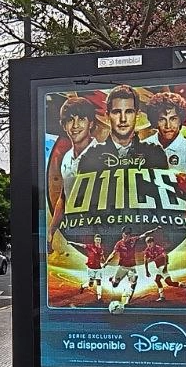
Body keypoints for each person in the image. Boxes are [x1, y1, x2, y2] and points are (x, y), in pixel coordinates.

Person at [47, 96, 101, 251]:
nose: (75, 125)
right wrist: (51, 231)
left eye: (81, 119)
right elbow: (64, 197)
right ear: (64, 125)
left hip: (102, 232)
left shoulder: (103, 154)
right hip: (76, 231)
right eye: (70, 120)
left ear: (91, 123)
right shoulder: (66, 158)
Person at [77, 85, 167, 175]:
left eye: (129, 112)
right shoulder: (91, 156)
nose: (123, 119)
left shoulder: (155, 153)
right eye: (117, 112)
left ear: (137, 115)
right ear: (107, 116)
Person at [141, 91, 186, 215]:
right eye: (162, 119)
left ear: (181, 120)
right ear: (155, 121)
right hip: (146, 216)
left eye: (173, 119)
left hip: (174, 219)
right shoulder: (143, 146)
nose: (168, 125)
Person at [105, 225, 159, 306]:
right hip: (122, 267)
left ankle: (127, 301)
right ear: (123, 234)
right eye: (126, 234)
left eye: (129, 234)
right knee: (115, 285)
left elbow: (144, 235)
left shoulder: (133, 240)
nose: (127, 236)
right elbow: (113, 253)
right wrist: (106, 262)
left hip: (132, 268)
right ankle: (113, 279)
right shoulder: (119, 244)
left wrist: (154, 229)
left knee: (133, 283)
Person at [142, 234, 186, 301]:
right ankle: (163, 296)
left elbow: (166, 256)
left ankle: (184, 286)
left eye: (150, 242)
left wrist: (165, 267)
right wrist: (147, 271)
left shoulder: (158, 248)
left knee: (168, 283)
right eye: (147, 243)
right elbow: (145, 261)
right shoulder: (147, 250)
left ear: (153, 242)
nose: (149, 244)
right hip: (159, 268)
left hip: (162, 267)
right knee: (158, 280)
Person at [71, 233, 107, 301]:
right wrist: (72, 243)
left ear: (100, 240)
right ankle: (83, 286)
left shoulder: (101, 248)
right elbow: (81, 245)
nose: (98, 241)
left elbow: (102, 256)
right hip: (91, 268)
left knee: (99, 281)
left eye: (99, 240)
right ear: (94, 240)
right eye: (97, 239)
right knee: (91, 284)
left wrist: (104, 261)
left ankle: (99, 298)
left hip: (98, 268)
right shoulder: (90, 246)